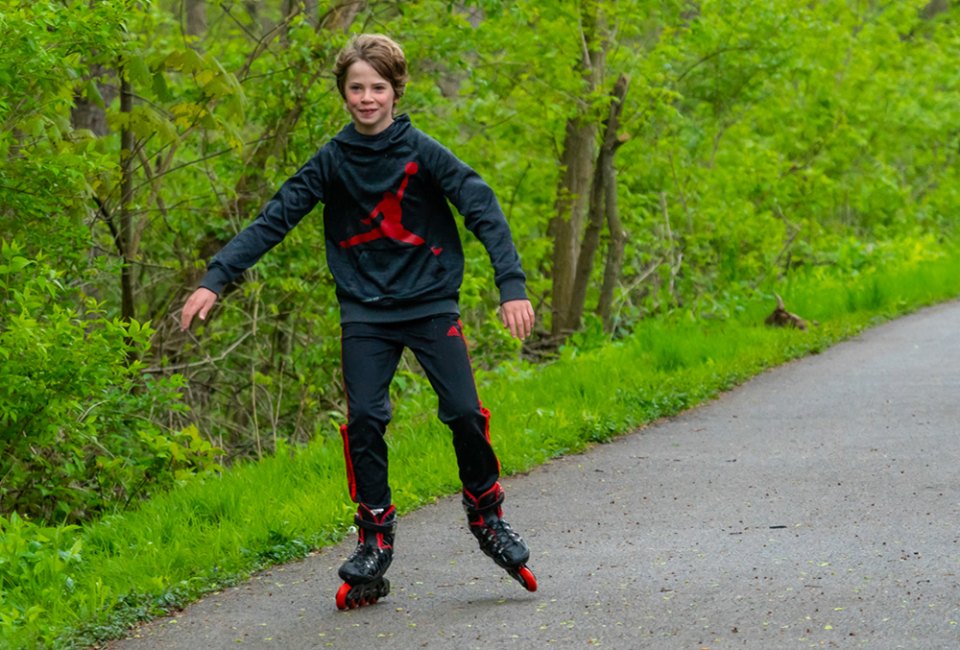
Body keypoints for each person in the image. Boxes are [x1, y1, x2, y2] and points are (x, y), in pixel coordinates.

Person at [180, 34, 537, 606]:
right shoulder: (333, 161)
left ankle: (486, 513)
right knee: (366, 418)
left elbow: (483, 209)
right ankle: (374, 539)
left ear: (395, 91)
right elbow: (275, 219)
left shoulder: (423, 152)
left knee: (465, 412)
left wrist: (511, 287)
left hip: (430, 304)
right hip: (365, 312)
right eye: (356, 88)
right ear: (343, 94)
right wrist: (215, 278)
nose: (366, 98)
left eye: (377, 87)